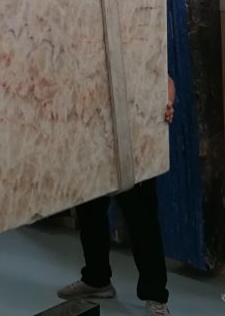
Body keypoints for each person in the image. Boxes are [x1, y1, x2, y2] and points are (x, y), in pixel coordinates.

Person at [56, 76, 176, 316]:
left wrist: (167, 102)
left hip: (132, 140)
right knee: (90, 212)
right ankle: (96, 280)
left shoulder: (132, 50)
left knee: (142, 219)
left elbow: (163, 77)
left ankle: (155, 295)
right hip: (91, 138)